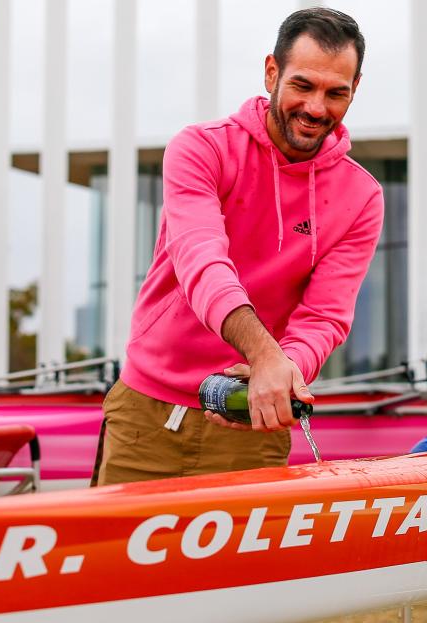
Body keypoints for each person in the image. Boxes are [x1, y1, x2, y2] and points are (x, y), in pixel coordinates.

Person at [94, 8, 383, 488]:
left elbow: (325, 317)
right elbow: (201, 262)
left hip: (255, 419)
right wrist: (265, 355)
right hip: (146, 413)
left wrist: (282, 372)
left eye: (337, 93)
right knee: (111, 560)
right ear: (271, 72)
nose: (316, 108)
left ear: (355, 90)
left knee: (242, 566)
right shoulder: (199, 149)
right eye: (302, 85)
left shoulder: (362, 198)